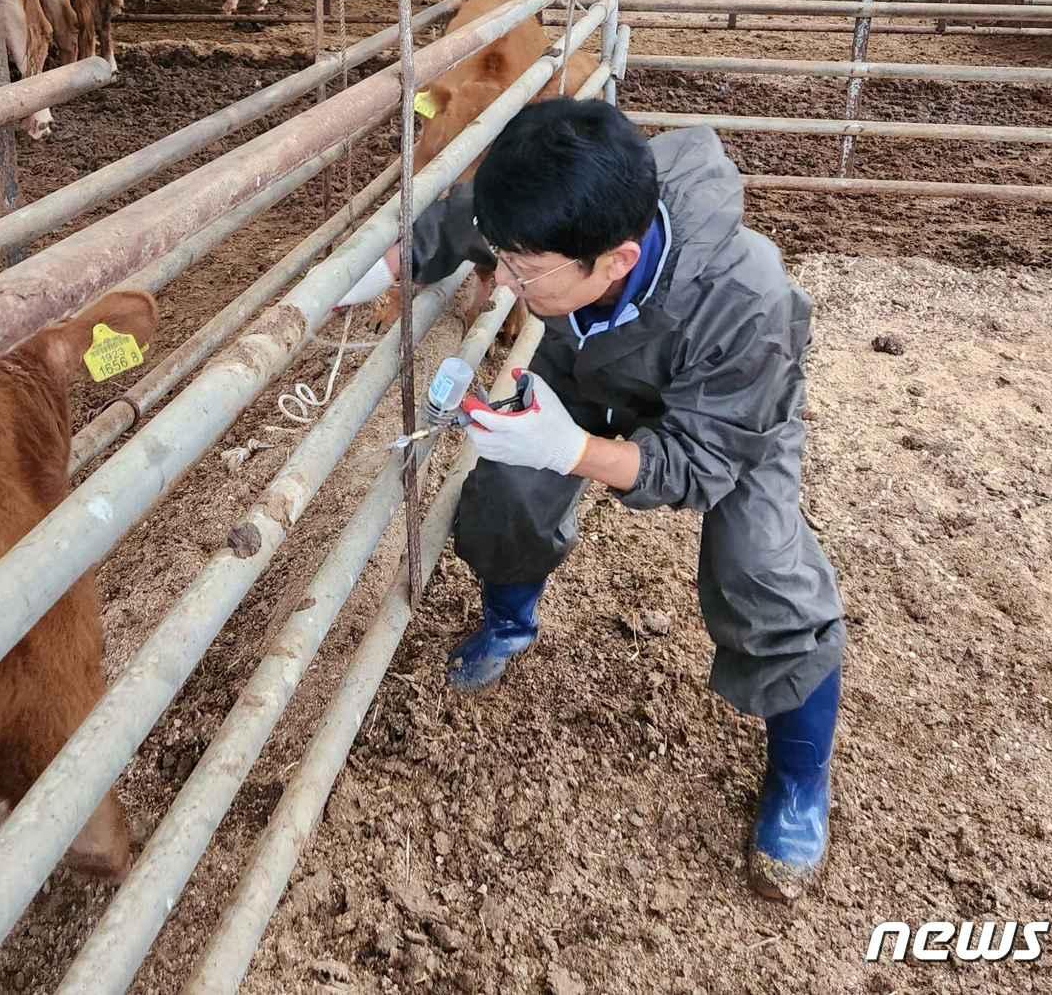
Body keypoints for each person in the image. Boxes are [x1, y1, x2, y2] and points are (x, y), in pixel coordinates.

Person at [339, 100, 846, 901]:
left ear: (616, 260)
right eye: (507, 259)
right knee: (507, 489)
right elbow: (483, 223)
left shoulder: (749, 304)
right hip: (593, 369)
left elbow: (699, 466)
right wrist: (386, 267)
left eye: (522, 271)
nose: (503, 282)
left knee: (762, 573)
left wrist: (572, 450)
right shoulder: (562, 213)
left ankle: (798, 779)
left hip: (727, 412)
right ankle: (509, 622)